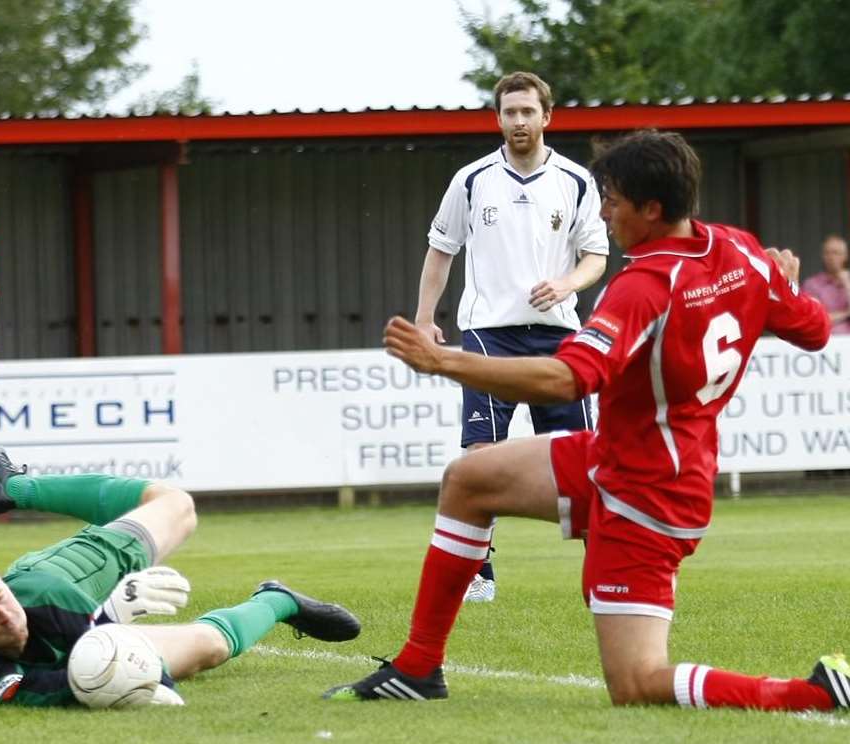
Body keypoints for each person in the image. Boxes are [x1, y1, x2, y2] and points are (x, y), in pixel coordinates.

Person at [324, 130, 850, 712]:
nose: (603, 210)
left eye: (614, 200)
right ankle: (418, 668)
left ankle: (814, 693)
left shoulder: (640, 289)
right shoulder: (741, 251)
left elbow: (567, 379)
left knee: (636, 682)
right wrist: (782, 284)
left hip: (647, 495)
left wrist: (444, 360)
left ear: (652, 210)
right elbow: (816, 329)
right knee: (468, 480)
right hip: (617, 456)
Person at [0, 443, 361, 706]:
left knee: (178, 505)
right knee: (208, 648)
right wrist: (134, 664)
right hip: (84, 628)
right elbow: (62, 684)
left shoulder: (46, 595)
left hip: (74, 573)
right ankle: (277, 599)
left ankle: (16, 489)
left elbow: (93, 652)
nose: (3, 613)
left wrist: (110, 621)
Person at [414, 71, 609, 602]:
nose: (519, 121)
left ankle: (607, 573)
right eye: (509, 112)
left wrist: (567, 282)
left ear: (547, 117)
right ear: (497, 118)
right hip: (488, 334)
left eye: (528, 112)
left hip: (559, 336)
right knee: (480, 455)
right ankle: (479, 571)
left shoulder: (575, 181)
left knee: (584, 455)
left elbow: (596, 254)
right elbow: (441, 248)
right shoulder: (472, 179)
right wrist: (425, 317)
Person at [801, 234, 850, 335]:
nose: (831, 257)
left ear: (845, 256)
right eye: (827, 253)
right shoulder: (812, 284)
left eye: (836, 253)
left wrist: (847, 284)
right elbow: (813, 319)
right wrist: (846, 313)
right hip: (823, 341)